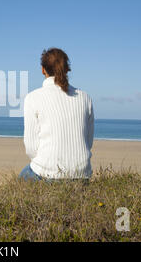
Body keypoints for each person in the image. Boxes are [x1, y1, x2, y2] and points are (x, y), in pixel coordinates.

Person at [20, 48, 94, 182]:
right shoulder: (85, 97)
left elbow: (31, 148)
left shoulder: (32, 98)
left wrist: (49, 164)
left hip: (48, 174)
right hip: (82, 175)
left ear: (43, 69)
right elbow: (88, 141)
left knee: (22, 178)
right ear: (67, 69)